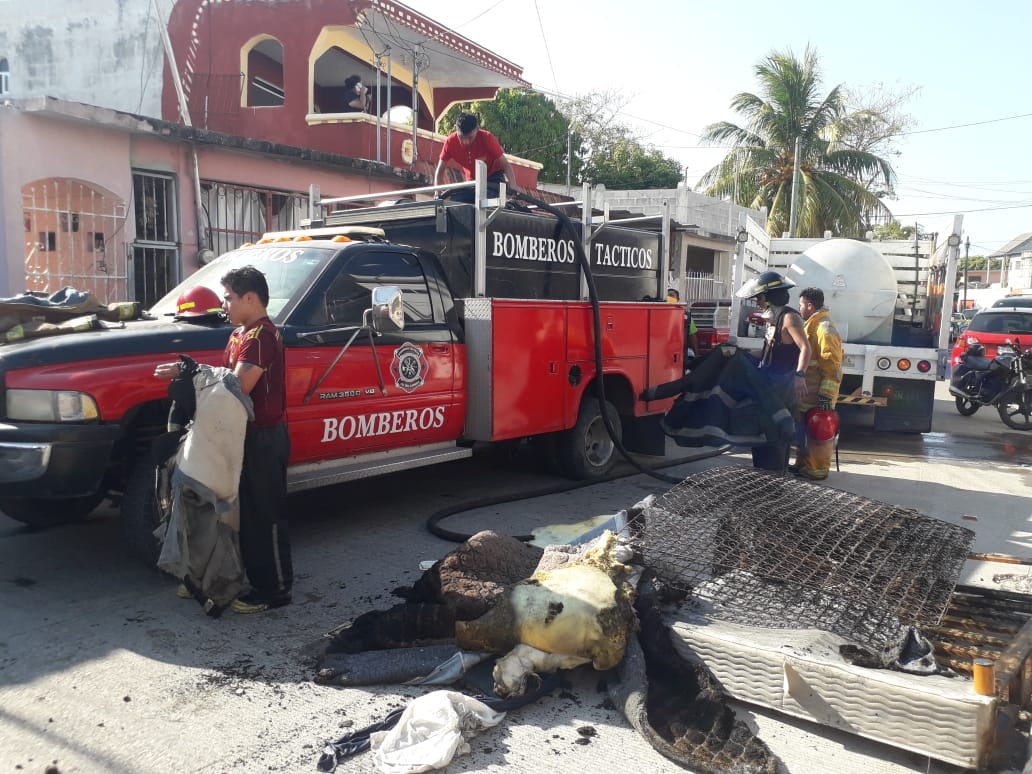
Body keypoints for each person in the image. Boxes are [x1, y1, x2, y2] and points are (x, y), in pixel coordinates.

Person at [155, 266, 293, 613]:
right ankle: (235, 577)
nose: (224, 304)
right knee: (238, 514)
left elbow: (237, 386)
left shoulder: (261, 335)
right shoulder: (239, 334)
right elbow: (222, 383)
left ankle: (275, 589)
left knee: (265, 515)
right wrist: (192, 371)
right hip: (241, 436)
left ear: (250, 297)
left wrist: (191, 370)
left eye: (230, 297)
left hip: (264, 438)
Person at [735, 271, 810, 473]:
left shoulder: (789, 318)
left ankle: (775, 478)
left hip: (783, 386)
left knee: (776, 433)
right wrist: (741, 354)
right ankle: (764, 475)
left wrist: (799, 375)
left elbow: (805, 347)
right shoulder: (773, 320)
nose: (757, 302)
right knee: (763, 432)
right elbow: (770, 351)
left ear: (770, 296)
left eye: (759, 297)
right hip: (769, 383)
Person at [791, 287, 843, 481]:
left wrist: (827, 394)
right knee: (803, 430)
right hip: (807, 392)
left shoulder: (824, 327)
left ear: (810, 305)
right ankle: (803, 465)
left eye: (801, 304)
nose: (800, 308)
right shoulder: (812, 324)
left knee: (818, 429)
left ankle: (817, 470)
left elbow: (832, 364)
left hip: (817, 394)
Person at [434, 112, 521, 202]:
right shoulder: (450, 142)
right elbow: (440, 170)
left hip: (493, 178)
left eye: (470, 137)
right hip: (472, 182)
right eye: (462, 137)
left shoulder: (487, 138)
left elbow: (506, 165)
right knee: (455, 202)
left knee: (488, 201)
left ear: (477, 129)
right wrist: (437, 193)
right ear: (456, 129)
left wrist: (513, 187)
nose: (466, 142)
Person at [665, 288, 699, 360]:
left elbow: (692, 336)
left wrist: (696, 354)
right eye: (667, 296)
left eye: (671, 296)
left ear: (678, 299)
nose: (668, 298)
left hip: (680, 354)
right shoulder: (660, 314)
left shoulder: (686, 316)